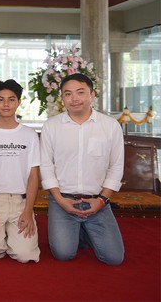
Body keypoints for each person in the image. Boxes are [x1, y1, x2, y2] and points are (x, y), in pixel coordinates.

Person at [40, 73, 124, 265]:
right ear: (62, 98)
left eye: (80, 92)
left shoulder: (110, 126)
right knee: (63, 254)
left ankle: (85, 230)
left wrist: (102, 200)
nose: (74, 98)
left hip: (97, 200)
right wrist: (60, 200)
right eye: (68, 94)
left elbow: (116, 165)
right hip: (62, 200)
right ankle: (78, 231)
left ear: (92, 95)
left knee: (114, 258)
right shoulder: (51, 126)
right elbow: (46, 165)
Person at [0, 79, 40, 263]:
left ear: (19, 102)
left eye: (11, 99)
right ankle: (0, 238)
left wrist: (28, 211)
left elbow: (33, 176)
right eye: (0, 99)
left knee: (25, 255)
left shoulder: (29, 135)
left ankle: (12, 240)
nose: (6, 104)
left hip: (21, 202)